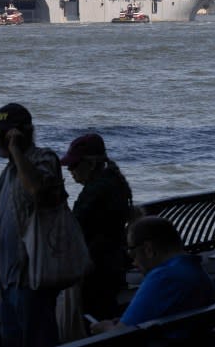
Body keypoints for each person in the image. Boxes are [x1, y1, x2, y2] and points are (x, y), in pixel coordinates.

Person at [0, 103, 66, 347]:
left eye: (2, 134)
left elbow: (37, 190)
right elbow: (8, 219)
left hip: (34, 276)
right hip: (9, 279)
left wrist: (16, 150)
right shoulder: (8, 173)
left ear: (21, 133)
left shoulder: (44, 159)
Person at [90, 216, 215, 334]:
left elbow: (123, 335)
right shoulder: (197, 271)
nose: (133, 262)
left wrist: (104, 327)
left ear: (148, 249)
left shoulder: (163, 277)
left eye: (131, 253)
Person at [60, 133, 133, 321]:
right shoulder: (114, 183)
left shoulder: (95, 191)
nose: (70, 170)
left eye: (74, 165)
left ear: (91, 164)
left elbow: (75, 227)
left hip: (96, 268)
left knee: (94, 318)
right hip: (112, 265)